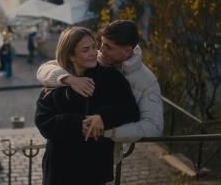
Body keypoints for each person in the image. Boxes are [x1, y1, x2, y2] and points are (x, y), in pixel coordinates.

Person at [37, 20, 164, 162]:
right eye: (101, 43)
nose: (100, 51)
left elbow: (153, 126)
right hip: (62, 160)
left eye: (108, 47)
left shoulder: (146, 80)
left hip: (101, 156)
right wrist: (68, 79)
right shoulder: (93, 57)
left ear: (127, 52)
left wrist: (104, 126)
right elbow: (46, 68)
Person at [35, 26, 140, 185]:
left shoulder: (110, 78)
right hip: (60, 169)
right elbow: (43, 122)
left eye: (93, 47)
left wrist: (103, 117)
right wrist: (76, 124)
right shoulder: (56, 82)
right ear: (71, 55)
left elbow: (131, 111)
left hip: (94, 168)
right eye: (86, 50)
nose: (93, 53)